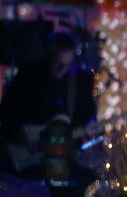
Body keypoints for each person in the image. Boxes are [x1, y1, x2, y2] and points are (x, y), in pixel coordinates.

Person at [0, 32, 97, 180]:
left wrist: (89, 125)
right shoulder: (28, 75)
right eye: (57, 63)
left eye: (65, 65)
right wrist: (17, 133)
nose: (60, 70)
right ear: (49, 56)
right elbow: (7, 111)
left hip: (64, 162)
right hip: (30, 161)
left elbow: (88, 114)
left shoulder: (81, 82)